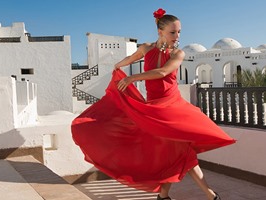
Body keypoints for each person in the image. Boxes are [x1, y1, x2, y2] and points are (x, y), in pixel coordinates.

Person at [72, 8, 236, 200]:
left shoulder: (178, 53)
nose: (177, 36)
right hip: (154, 109)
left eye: (179, 32)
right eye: (173, 32)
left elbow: (162, 72)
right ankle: (174, 196)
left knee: (181, 153)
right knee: (176, 155)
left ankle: (204, 196)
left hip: (172, 107)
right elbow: (130, 59)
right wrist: (118, 66)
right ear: (160, 32)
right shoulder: (146, 49)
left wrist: (133, 77)